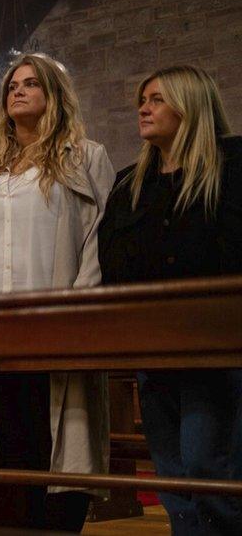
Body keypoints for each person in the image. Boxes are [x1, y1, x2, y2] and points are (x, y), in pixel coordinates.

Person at [0, 54, 115, 532]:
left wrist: (81, 302)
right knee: (15, 447)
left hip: (56, 322)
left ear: (53, 94)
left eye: (31, 84)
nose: (17, 91)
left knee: (60, 443)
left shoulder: (85, 156)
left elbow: (99, 236)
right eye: (12, 85)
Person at [98, 65, 241, 536]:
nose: (143, 108)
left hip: (216, 344)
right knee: (172, 472)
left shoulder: (233, 165)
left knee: (207, 465)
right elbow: (112, 258)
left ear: (191, 104)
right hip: (152, 345)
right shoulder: (128, 182)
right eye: (143, 99)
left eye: (157, 99)